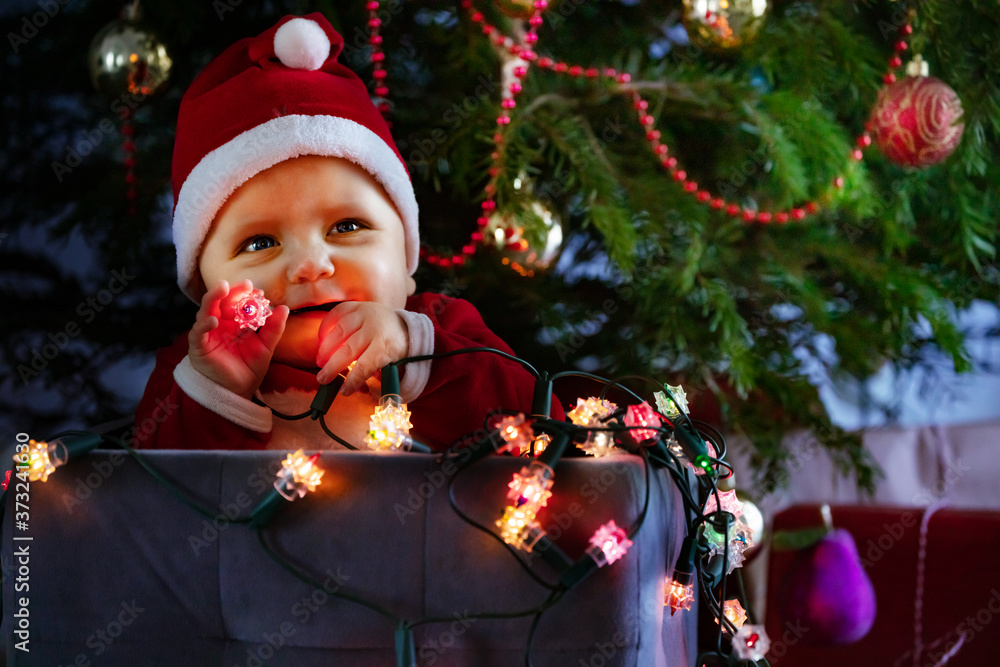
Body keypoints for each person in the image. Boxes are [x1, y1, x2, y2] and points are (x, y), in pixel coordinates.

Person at [134, 13, 561, 452]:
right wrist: (216, 392)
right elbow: (151, 501)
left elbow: (547, 434)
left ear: (405, 260)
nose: (310, 265)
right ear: (204, 284)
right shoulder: (191, 373)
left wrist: (418, 358)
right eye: (260, 243)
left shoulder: (442, 333)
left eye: (347, 226)